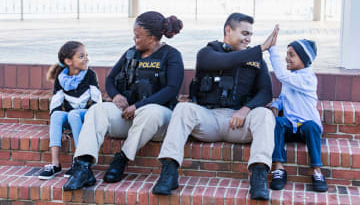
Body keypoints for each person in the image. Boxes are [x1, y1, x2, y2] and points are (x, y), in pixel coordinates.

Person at [153, 13, 277, 200]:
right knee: (183, 109)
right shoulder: (207, 53)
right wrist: (261, 48)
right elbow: (226, 61)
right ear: (228, 30)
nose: (248, 38)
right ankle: (169, 173)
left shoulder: (256, 59)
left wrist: (246, 109)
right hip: (208, 120)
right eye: (244, 33)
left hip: (238, 122)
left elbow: (266, 92)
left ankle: (258, 177)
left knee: (265, 115)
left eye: (250, 34)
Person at [63, 11, 184, 191]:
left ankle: (122, 159)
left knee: (151, 112)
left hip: (157, 120)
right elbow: (110, 80)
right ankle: (83, 166)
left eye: (137, 36)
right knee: (98, 110)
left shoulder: (171, 55)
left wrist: (138, 106)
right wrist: (117, 96)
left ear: (151, 38)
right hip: (129, 116)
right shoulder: (130, 53)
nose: (134, 40)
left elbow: (171, 89)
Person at [268, 37, 328, 192]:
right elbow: (283, 98)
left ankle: (316, 171)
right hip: (291, 126)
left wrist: (272, 48)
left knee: (312, 126)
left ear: (303, 59)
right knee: (278, 122)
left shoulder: (308, 78)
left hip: (306, 129)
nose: (286, 58)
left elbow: (281, 75)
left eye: (291, 54)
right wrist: (275, 106)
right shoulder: (291, 78)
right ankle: (279, 169)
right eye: (286, 54)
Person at [38, 41, 102, 180]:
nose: (86, 58)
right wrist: (61, 129)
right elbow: (56, 102)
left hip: (88, 115)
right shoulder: (61, 78)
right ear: (68, 61)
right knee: (56, 116)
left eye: (86, 55)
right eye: (81, 56)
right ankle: (55, 163)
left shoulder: (90, 74)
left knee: (73, 114)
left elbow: (97, 99)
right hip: (72, 116)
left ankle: (79, 162)